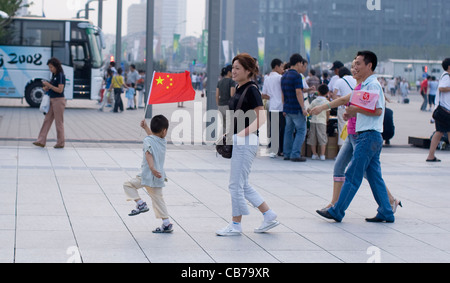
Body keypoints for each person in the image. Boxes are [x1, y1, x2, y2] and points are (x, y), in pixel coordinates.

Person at [311, 59, 401, 214]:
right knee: (367, 173)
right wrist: (323, 107)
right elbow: (345, 100)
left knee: (356, 174)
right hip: (356, 134)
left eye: (358, 66)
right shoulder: (362, 87)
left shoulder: (370, 86)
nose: (354, 69)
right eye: (353, 66)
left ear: (368, 67)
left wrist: (352, 111)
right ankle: (387, 207)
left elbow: (376, 110)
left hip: (364, 136)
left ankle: (337, 209)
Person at [216, 53, 280, 236]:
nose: (233, 71)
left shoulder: (252, 89)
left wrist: (240, 134)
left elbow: (261, 117)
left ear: (248, 71)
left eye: (237, 68)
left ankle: (236, 225)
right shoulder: (239, 87)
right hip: (240, 140)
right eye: (233, 67)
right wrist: (230, 133)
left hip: (246, 141)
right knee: (242, 185)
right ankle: (269, 214)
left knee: (235, 185)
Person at [123, 115, 173, 233]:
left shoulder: (148, 141)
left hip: (147, 176)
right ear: (164, 131)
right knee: (158, 200)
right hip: (158, 177)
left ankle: (140, 203)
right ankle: (166, 223)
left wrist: (151, 168)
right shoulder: (163, 141)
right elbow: (153, 137)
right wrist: (145, 128)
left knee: (128, 185)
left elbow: (148, 153)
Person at [33, 57, 67, 149]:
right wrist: (47, 88)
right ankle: (41, 141)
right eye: (49, 67)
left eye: (51, 67)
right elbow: (53, 88)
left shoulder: (60, 75)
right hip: (52, 100)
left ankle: (60, 143)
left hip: (58, 101)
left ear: (56, 66)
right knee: (47, 120)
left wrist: (49, 85)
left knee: (58, 122)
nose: (50, 69)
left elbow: (60, 90)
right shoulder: (54, 75)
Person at [281, 53, 308, 162]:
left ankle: (287, 153)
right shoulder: (297, 76)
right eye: (302, 64)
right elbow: (299, 92)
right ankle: (295, 154)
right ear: (298, 63)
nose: (302, 66)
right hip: (296, 108)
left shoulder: (284, 75)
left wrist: (284, 107)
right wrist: (303, 108)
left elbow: (282, 93)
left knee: (288, 131)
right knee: (301, 130)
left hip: (287, 108)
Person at [426, 58, 450, 162]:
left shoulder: (445, 76)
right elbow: (441, 88)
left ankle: (431, 156)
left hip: (442, 110)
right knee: (440, 132)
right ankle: (430, 156)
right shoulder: (447, 76)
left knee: (440, 132)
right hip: (445, 110)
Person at [261, 58, 285, 157]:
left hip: (272, 107)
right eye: (281, 67)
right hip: (281, 107)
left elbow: (263, 94)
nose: (282, 69)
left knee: (274, 129)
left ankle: (273, 151)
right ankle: (281, 150)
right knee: (282, 129)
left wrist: (272, 96)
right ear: (276, 67)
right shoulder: (280, 78)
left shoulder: (267, 78)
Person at [330, 67, 356, 148]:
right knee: (353, 129)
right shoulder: (355, 79)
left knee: (342, 129)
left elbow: (334, 96)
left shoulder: (339, 81)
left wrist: (341, 99)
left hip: (343, 108)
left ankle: (342, 151)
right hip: (354, 108)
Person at [307, 84, 330, 161]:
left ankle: (314, 154)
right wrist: (327, 119)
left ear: (318, 92)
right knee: (322, 138)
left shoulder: (314, 101)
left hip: (313, 121)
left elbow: (308, 110)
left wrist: (311, 112)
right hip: (322, 121)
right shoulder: (327, 102)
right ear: (327, 93)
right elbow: (328, 113)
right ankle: (322, 155)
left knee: (312, 137)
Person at [216, 65, 236, 136]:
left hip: (220, 106)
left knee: (223, 125)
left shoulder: (220, 82)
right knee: (229, 125)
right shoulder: (232, 81)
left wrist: (218, 104)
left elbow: (217, 95)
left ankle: (221, 142)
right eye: (232, 72)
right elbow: (232, 94)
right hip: (228, 106)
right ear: (229, 72)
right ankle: (227, 142)